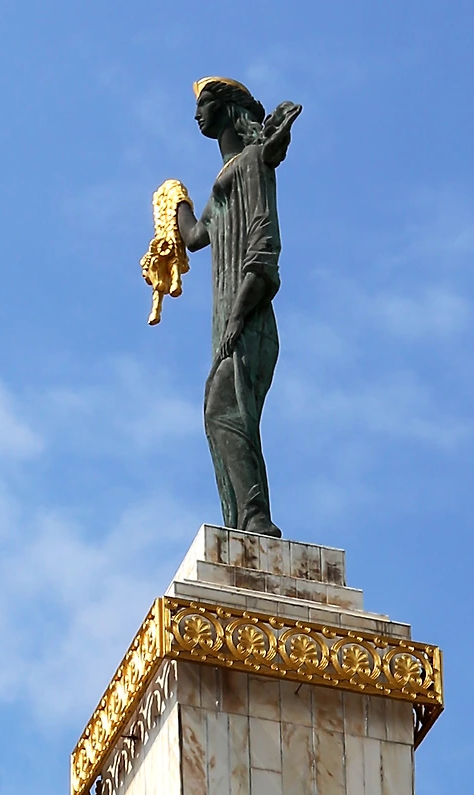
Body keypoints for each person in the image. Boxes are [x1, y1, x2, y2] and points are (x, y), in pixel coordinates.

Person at [175, 77, 301, 536]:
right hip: (232, 315)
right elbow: (195, 236)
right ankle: (245, 520)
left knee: (224, 410)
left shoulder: (252, 164)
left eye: (205, 103)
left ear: (229, 108)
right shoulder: (225, 181)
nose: (197, 114)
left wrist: (239, 312)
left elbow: (264, 247)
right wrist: (175, 200)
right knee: (224, 413)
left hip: (249, 311)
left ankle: (255, 519)